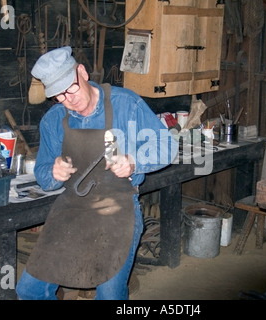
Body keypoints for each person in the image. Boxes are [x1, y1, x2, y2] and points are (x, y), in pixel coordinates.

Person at [15, 46, 178, 300]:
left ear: (81, 71)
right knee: (28, 290)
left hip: (119, 209)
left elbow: (168, 147)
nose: (69, 100)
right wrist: (53, 171)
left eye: (71, 88)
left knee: (110, 296)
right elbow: (44, 177)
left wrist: (134, 162)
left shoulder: (126, 104)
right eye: (59, 96)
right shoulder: (52, 120)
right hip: (72, 210)